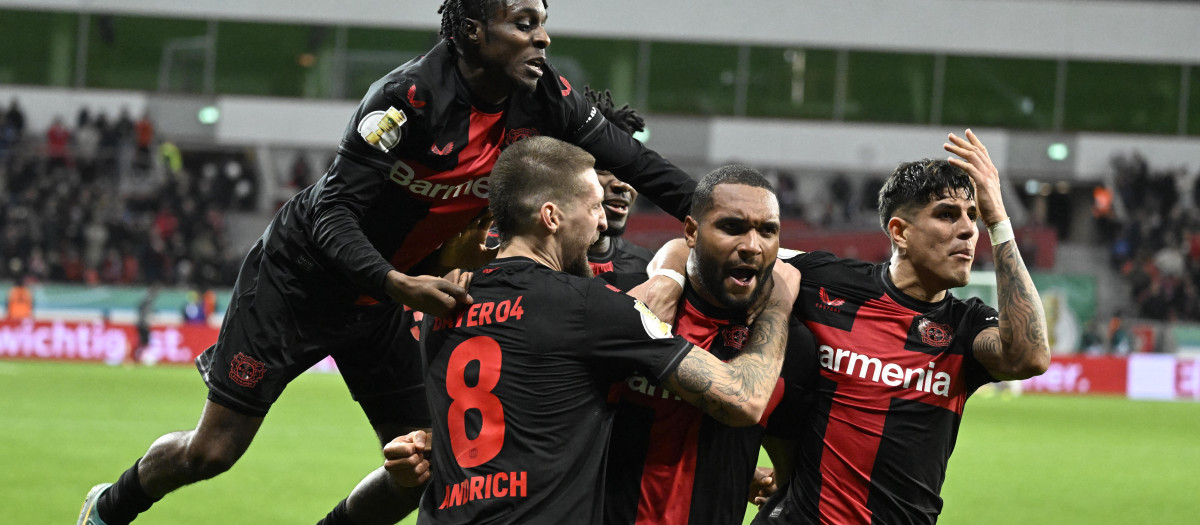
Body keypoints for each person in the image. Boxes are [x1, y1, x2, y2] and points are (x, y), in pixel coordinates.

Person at [77, 1, 698, 524]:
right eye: (524, 21)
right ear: (472, 32)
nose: (543, 35)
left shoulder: (545, 96)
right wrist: (397, 282)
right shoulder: (405, 100)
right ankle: (109, 508)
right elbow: (330, 215)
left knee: (429, 464)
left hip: (388, 300)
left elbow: (640, 165)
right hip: (299, 283)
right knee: (211, 453)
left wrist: (711, 216)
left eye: (543, 21)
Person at [386, 136, 797, 524]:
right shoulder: (588, 306)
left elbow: (527, 417)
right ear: (551, 217)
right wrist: (777, 303)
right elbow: (742, 398)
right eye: (594, 207)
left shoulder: (446, 306)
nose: (603, 223)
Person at [751, 130, 1050, 524]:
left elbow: (1029, 357)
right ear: (899, 232)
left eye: (973, 216)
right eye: (947, 214)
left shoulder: (966, 326)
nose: (967, 230)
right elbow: (716, 242)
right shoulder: (826, 280)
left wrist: (999, 219)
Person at [603, 165, 814, 525]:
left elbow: (788, 477)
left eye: (768, 231)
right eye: (732, 227)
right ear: (691, 231)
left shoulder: (791, 344)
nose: (751, 246)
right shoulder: (629, 304)